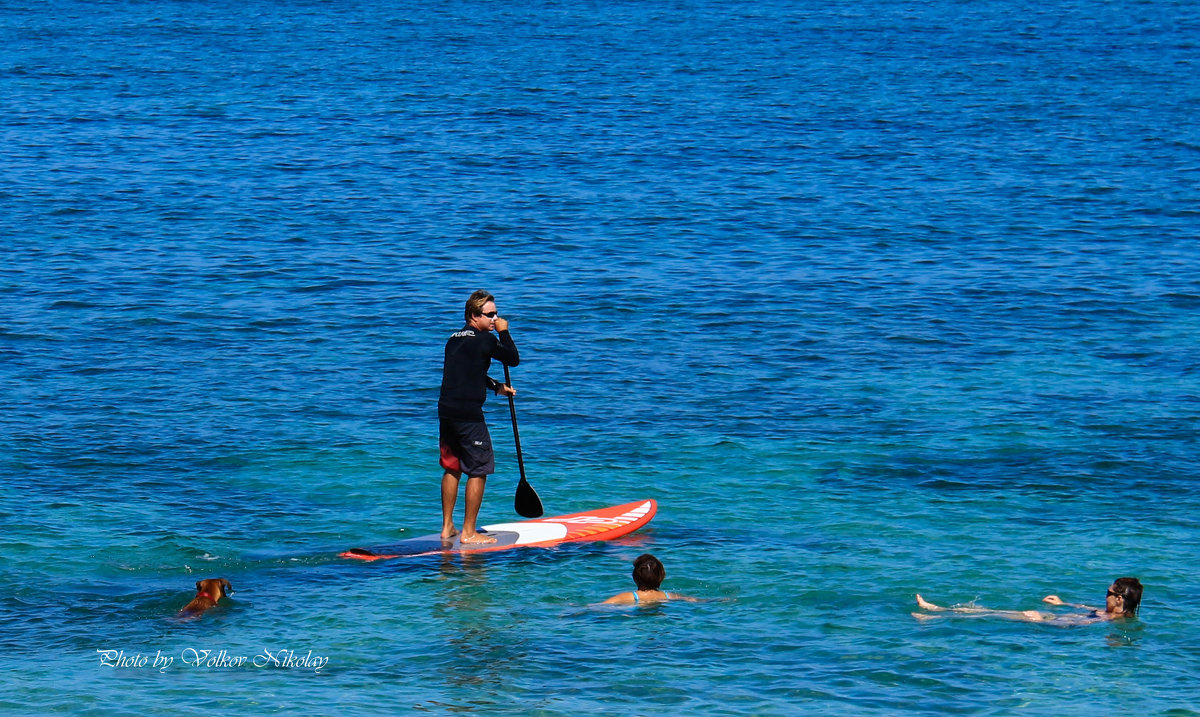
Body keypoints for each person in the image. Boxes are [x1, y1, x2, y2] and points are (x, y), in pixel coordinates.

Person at [437, 290, 519, 545]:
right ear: (474, 316)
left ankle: (447, 526)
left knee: (452, 467)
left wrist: (495, 386)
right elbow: (513, 359)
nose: (495, 319)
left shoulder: (453, 339)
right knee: (479, 469)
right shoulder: (486, 340)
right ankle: (469, 532)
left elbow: (468, 372)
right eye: (490, 315)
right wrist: (504, 332)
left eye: (496, 315)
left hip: (446, 411)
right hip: (468, 416)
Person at [913, 577, 1143, 626]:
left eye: (1108, 592)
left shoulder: (1110, 619)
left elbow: (1074, 625)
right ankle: (938, 611)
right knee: (992, 611)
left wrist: (1041, 621)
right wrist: (1063, 603)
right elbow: (1086, 610)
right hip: (1055, 616)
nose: (1105, 595)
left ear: (1120, 598)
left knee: (993, 613)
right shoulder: (1115, 614)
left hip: (1050, 623)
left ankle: (935, 613)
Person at [603, 554, 698, 605]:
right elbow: (692, 599)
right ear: (662, 577)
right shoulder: (668, 596)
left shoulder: (627, 597)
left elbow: (599, 607)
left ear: (634, 577)